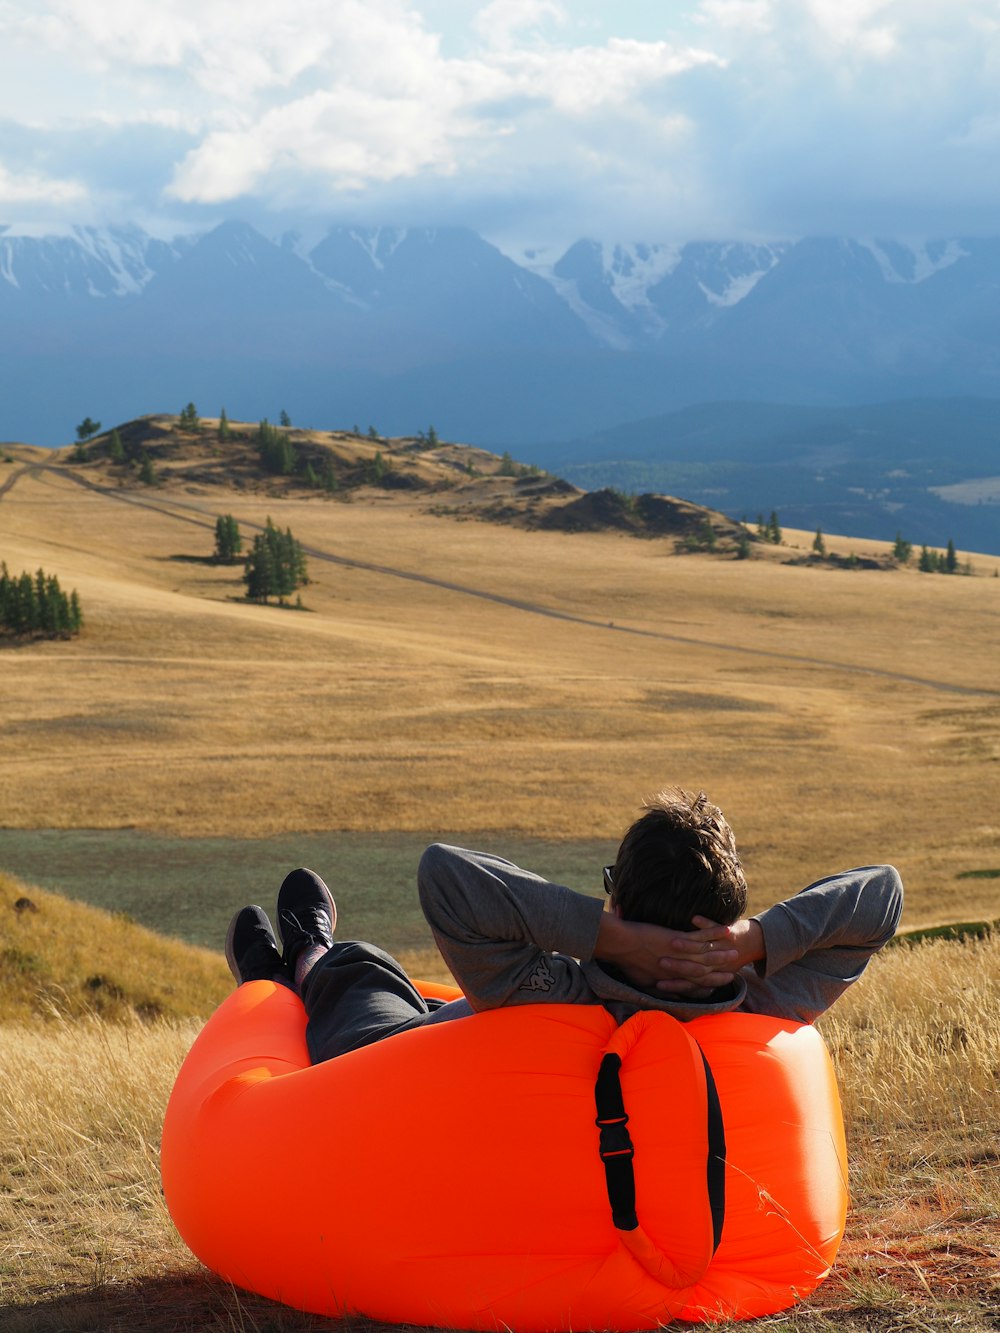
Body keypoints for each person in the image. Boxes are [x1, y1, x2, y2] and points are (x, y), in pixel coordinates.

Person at [225, 788, 903, 1065]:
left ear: (617, 903)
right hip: (457, 1022)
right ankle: (305, 961)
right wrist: (754, 943)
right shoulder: (768, 998)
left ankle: (300, 961)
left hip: (395, 1059)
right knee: (427, 993)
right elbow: (882, 893)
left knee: (363, 971)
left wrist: (612, 939)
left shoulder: (551, 993)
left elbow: (445, 874)